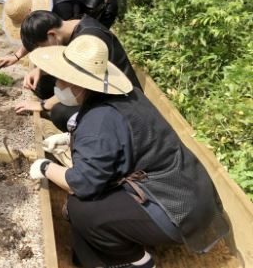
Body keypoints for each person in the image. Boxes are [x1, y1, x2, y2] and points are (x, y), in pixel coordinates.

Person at [28, 35, 229, 268]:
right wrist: (68, 138)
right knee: (84, 241)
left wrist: (45, 167)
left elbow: (81, 183)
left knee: (80, 208)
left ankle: (137, 261)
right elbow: (125, 140)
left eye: (62, 80)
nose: (57, 86)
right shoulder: (127, 95)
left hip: (175, 209)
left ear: (79, 84)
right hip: (191, 192)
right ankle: (116, 241)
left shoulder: (99, 121)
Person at [15, 10, 141, 132]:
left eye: (43, 49)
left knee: (59, 112)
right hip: (91, 87)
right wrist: (40, 71)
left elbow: (78, 83)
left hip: (117, 97)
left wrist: (43, 105)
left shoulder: (88, 39)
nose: (45, 53)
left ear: (52, 35)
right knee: (41, 85)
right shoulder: (73, 26)